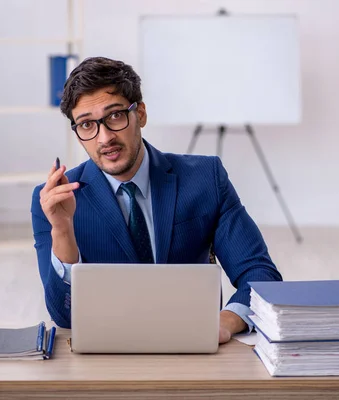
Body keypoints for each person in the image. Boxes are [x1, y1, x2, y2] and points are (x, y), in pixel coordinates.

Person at [31, 56, 283, 344]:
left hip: (195, 348)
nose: (104, 138)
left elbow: (261, 276)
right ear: (78, 134)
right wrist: (63, 229)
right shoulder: (55, 203)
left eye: (115, 116)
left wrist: (226, 320)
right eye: (87, 125)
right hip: (106, 354)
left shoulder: (205, 179)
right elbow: (64, 317)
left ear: (140, 114)